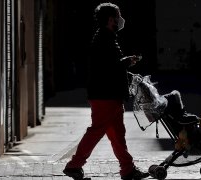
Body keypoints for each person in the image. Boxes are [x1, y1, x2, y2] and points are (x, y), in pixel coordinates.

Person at [63, 2, 149, 180]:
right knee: (96, 132)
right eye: (118, 16)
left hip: (109, 95)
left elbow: (109, 65)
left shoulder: (106, 37)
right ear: (111, 19)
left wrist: (125, 63)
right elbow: (110, 66)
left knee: (118, 134)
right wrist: (126, 62)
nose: (120, 20)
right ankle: (74, 165)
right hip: (105, 96)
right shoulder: (104, 38)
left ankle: (127, 169)